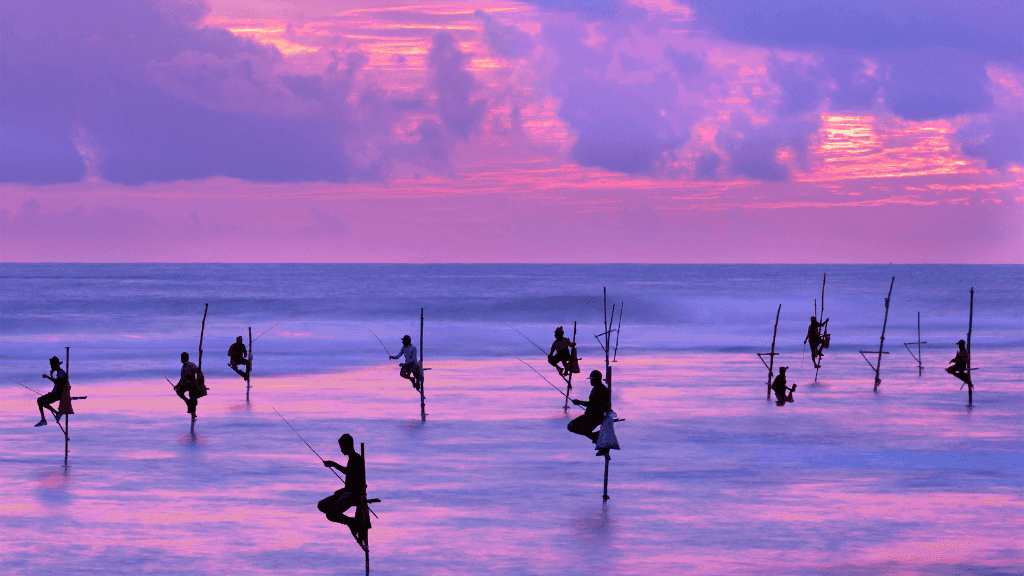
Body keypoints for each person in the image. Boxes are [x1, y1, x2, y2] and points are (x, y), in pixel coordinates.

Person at [318, 433, 368, 549]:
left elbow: (349, 473)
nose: (341, 450)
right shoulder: (352, 458)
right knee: (322, 505)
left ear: (349, 445)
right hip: (346, 492)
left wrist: (333, 464)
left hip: (353, 494)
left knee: (331, 514)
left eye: (342, 447)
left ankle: (353, 523)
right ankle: (350, 521)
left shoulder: (356, 458)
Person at [568, 370, 611, 445]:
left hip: (596, 417)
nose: (590, 381)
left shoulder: (602, 390)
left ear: (597, 379)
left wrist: (579, 402)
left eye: (592, 379)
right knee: (571, 426)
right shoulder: (595, 388)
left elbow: (593, 405)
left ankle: (598, 440)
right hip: (588, 415)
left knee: (585, 431)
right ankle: (596, 436)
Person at [35, 356, 68, 427]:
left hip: (57, 394)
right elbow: (57, 383)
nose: (51, 366)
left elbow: (57, 382)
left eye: (51, 365)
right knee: (41, 401)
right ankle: (55, 414)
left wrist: (48, 377)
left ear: (55, 365)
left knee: (41, 401)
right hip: (55, 393)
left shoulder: (61, 372)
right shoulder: (59, 372)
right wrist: (51, 375)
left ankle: (45, 419)